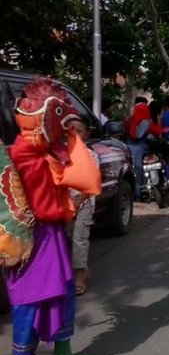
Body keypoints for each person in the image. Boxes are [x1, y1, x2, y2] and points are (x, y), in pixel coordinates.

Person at [5, 78, 101, 355]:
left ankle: (63, 354)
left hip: (53, 236)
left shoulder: (49, 150)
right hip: (27, 240)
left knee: (63, 294)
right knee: (26, 304)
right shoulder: (18, 155)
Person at [67, 118, 100, 296]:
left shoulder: (91, 156)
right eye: (71, 129)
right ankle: (72, 271)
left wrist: (77, 204)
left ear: (87, 134)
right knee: (67, 236)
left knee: (80, 237)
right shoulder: (63, 154)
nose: (75, 133)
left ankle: (80, 274)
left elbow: (89, 185)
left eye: (79, 130)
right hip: (66, 202)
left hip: (83, 202)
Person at [127, 102, 162, 199]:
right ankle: (138, 192)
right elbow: (157, 132)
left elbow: (123, 130)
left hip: (128, 148)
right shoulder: (147, 122)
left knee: (134, 169)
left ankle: (134, 192)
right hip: (140, 147)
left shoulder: (129, 121)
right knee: (138, 168)